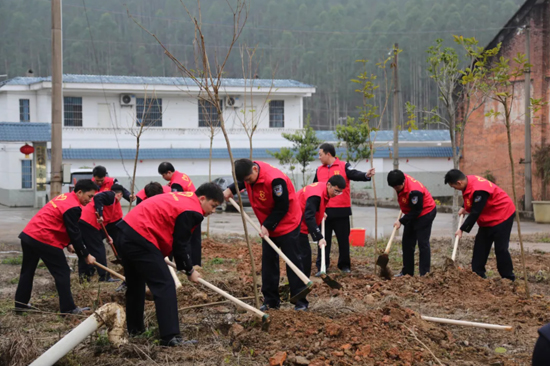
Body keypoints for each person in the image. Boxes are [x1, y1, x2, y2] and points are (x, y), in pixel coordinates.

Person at [116, 182, 223, 346]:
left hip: (126, 232)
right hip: (141, 237)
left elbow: (172, 236)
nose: (213, 211)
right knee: (165, 285)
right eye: (213, 205)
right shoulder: (192, 211)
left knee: (136, 285)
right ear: (202, 198)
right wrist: (189, 270)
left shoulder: (185, 198)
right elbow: (181, 244)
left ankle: (135, 331)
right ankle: (171, 337)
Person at [223, 159, 309, 311]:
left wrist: (268, 225)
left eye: (249, 179)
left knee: (292, 260)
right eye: (244, 181)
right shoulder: (249, 173)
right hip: (268, 224)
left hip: (287, 222)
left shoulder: (275, 180)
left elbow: (282, 206)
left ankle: (300, 300)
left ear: (255, 169)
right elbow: (244, 182)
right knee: (269, 263)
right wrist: (231, 189)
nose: (247, 183)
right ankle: (271, 301)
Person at [14, 180, 98, 314]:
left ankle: (20, 304)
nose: (90, 200)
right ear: (80, 192)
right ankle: (68, 308)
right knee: (62, 272)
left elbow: (59, 222)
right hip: (44, 238)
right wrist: (85, 254)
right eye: (90, 196)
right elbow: (74, 232)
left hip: (30, 235)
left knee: (27, 271)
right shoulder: (73, 207)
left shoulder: (65, 198)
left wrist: (68, 243)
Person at [314, 143, 375, 275]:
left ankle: (344, 265)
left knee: (343, 240)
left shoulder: (343, 166)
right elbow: (315, 188)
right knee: (323, 240)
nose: (319, 157)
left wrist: (366, 175)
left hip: (341, 210)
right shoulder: (319, 170)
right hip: (324, 212)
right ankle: (322, 265)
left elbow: (354, 174)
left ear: (328, 154)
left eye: (320, 154)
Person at [444, 169, 516, 281]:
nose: (455, 189)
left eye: (454, 187)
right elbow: (470, 196)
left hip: (502, 214)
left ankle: (508, 278)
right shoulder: (468, 180)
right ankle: (478, 275)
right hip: (488, 217)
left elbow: (475, 212)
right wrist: (464, 206)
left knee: (501, 249)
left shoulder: (479, 190)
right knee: (480, 246)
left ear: (459, 183)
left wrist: (461, 229)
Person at [387, 170, 437, 277]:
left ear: (403, 182)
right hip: (411, 212)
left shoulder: (414, 191)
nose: (395, 189)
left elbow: (417, 210)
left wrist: (401, 221)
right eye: (393, 187)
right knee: (407, 243)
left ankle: (424, 274)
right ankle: (407, 272)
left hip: (425, 213)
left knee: (423, 244)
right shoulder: (399, 178)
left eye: (397, 187)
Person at [296, 176, 347, 277]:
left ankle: (303, 280)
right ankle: (302, 282)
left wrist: (320, 212)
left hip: (300, 218)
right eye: (336, 191)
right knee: (304, 254)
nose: (337, 195)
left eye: (339, 192)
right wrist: (319, 237)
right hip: (295, 221)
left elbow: (313, 207)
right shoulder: (316, 195)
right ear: (329, 185)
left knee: (304, 253)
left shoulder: (323, 188)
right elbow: (309, 217)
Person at [78, 184, 126, 282]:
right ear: (120, 194)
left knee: (86, 249)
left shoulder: (114, 205)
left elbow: (111, 225)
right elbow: (98, 197)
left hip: (83, 221)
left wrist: (107, 236)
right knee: (98, 248)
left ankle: (84, 276)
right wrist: (100, 214)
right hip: (89, 222)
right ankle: (104, 276)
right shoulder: (111, 195)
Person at [158, 162, 202, 267]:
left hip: (190, 211)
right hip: (196, 207)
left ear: (169, 172)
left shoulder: (176, 184)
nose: (163, 177)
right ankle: (196, 263)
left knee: (185, 239)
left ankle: (189, 264)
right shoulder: (182, 175)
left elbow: (176, 201)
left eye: (163, 175)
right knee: (195, 239)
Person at [92, 165, 134, 244]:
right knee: (96, 241)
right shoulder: (90, 185)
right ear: (94, 177)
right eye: (97, 180)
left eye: (102, 180)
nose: (100, 182)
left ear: (105, 176)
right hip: (101, 220)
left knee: (119, 241)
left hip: (115, 218)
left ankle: (120, 256)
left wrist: (129, 196)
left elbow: (122, 190)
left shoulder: (112, 181)